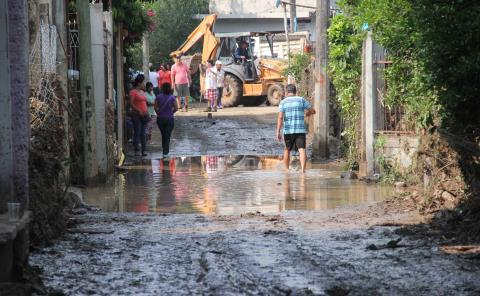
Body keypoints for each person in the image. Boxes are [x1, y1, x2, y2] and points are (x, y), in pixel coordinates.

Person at [276, 84, 316, 173]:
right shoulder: (301, 100)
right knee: (302, 149)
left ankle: (286, 170)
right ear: (295, 92)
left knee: (287, 149)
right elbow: (313, 110)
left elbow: (280, 117)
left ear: (286, 92)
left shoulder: (283, 102)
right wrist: (308, 113)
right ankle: (303, 170)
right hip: (300, 130)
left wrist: (278, 131)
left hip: (288, 130)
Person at [154, 83, 179, 159]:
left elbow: (155, 107)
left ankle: (164, 150)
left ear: (162, 89)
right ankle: (165, 152)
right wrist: (171, 113)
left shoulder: (158, 97)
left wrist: (159, 113)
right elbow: (176, 108)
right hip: (169, 119)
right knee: (167, 136)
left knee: (163, 134)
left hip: (160, 119)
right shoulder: (172, 98)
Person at [129, 74, 150, 156]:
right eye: (142, 83)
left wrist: (146, 111)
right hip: (136, 115)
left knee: (143, 133)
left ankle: (144, 150)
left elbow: (144, 102)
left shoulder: (142, 92)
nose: (143, 85)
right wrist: (138, 110)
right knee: (137, 132)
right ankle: (137, 150)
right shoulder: (133, 92)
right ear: (139, 83)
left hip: (144, 114)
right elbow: (131, 103)